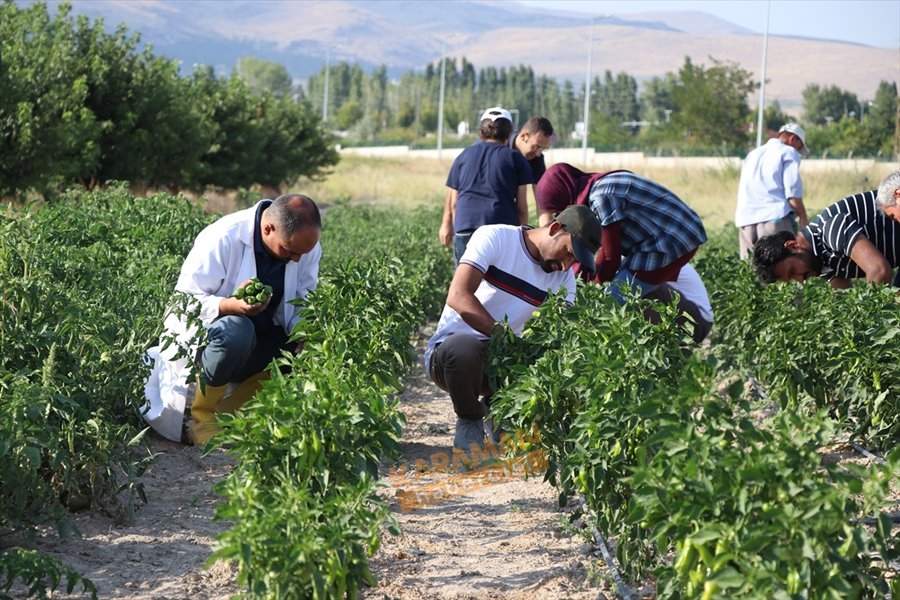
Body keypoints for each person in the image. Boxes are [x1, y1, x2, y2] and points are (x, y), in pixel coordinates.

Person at [142, 194, 322, 445]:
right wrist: (230, 305)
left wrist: (305, 333)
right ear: (268, 229)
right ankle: (201, 419)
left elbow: (302, 301)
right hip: (212, 346)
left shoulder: (302, 249)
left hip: (259, 343)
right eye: (290, 251)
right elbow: (183, 303)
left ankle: (232, 415)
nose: (297, 260)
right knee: (236, 331)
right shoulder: (223, 237)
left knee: (304, 347)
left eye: (302, 253)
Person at [425, 205, 603, 455]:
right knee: (463, 348)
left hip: (502, 360)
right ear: (555, 229)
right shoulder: (497, 238)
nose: (566, 266)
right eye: (568, 253)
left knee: (549, 356)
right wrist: (503, 336)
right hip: (450, 358)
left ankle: (502, 411)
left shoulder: (564, 280)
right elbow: (458, 296)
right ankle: (470, 419)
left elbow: (562, 334)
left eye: (573, 262)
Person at [535, 162, 707, 304]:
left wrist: (593, 288)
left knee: (607, 303)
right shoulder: (596, 187)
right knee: (625, 296)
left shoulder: (601, 197)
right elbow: (602, 252)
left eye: (560, 209)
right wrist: (588, 278)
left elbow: (611, 256)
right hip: (672, 237)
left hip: (672, 241)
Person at [752, 174, 900, 288]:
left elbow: (879, 271)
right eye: (792, 279)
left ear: (793, 246)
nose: (800, 279)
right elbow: (843, 297)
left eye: (792, 271)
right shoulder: (820, 262)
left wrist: (867, 315)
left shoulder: (830, 230)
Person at [439, 106, 533, 263]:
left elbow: (454, 203)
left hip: (465, 227)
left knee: (465, 278)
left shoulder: (463, 156)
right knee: (498, 278)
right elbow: (522, 208)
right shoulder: (516, 159)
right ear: (509, 133)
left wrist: (451, 225)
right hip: (500, 231)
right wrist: (523, 241)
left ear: (481, 131)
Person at [734, 123, 810, 259]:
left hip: (746, 220)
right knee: (781, 265)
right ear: (793, 139)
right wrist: (803, 218)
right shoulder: (788, 152)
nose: (797, 150)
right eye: (798, 147)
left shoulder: (753, 154)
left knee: (750, 266)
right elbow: (792, 192)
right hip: (774, 219)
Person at [641, 263, 714, 344]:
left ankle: (655, 343)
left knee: (645, 285)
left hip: (699, 322)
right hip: (689, 317)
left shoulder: (660, 260)